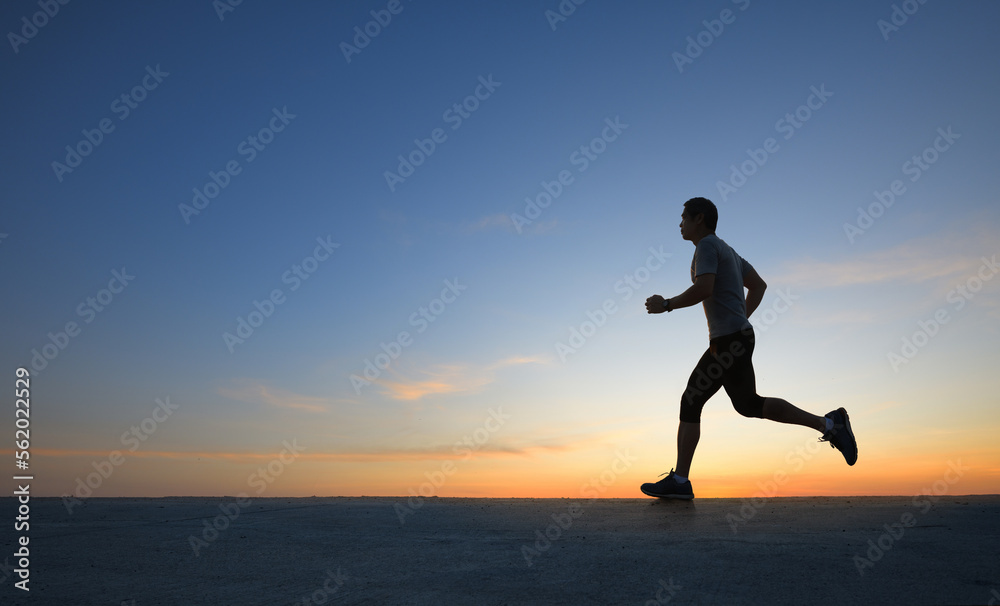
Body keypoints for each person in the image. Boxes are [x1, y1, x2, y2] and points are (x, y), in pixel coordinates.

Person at [640, 197, 857, 500]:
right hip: (734, 339)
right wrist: (740, 319)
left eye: (683, 218)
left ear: (699, 218)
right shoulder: (727, 250)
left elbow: (705, 288)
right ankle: (830, 423)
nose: (680, 224)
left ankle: (680, 481)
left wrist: (667, 305)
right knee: (748, 404)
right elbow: (759, 286)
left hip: (730, 341)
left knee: (692, 399)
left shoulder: (706, 247)